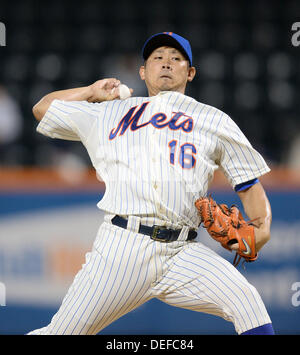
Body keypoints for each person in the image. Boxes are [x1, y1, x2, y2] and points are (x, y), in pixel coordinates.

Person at [28, 32, 274, 335]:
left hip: (183, 251)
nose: (166, 63)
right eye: (157, 58)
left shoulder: (214, 120)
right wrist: (91, 91)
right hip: (122, 249)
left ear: (190, 72)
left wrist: (261, 230)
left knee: (247, 302)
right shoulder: (108, 113)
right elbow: (42, 108)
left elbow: (248, 184)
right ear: (143, 71)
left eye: (176, 58)